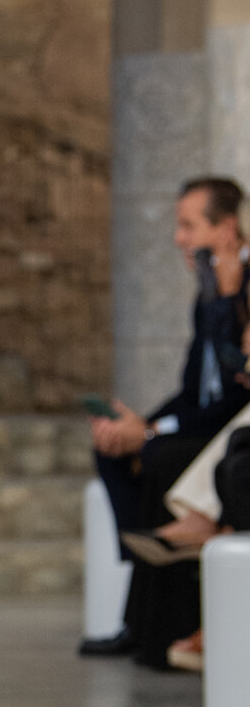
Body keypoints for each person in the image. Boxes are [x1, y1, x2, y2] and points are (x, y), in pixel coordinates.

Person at [81, 177, 250, 668]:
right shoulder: (210, 291)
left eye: (188, 226)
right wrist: (144, 422)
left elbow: (234, 391)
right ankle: (141, 606)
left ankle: (162, 625)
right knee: (113, 449)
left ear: (225, 230)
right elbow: (196, 386)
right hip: (209, 419)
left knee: (161, 454)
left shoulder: (239, 289)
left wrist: (155, 432)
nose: (179, 238)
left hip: (229, 423)